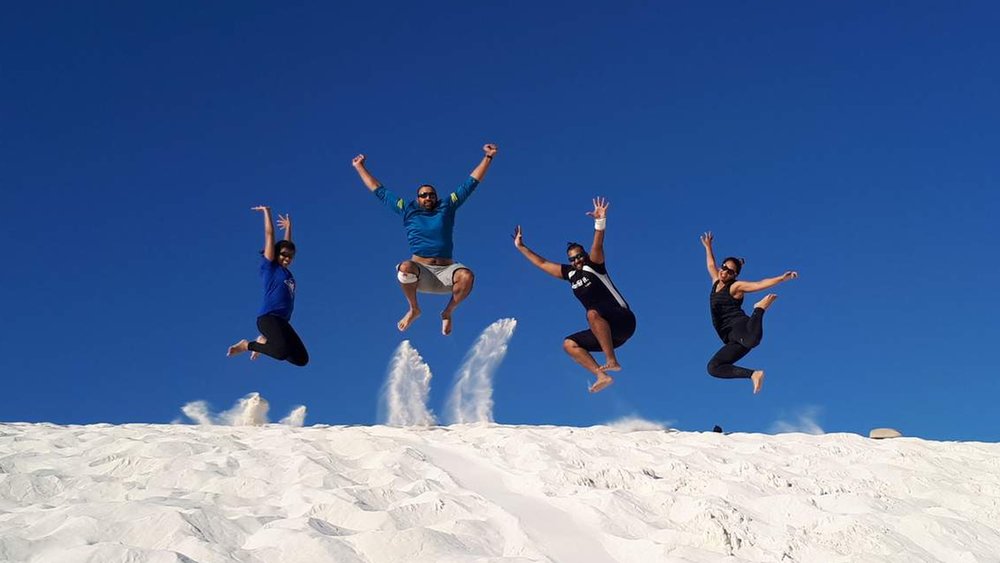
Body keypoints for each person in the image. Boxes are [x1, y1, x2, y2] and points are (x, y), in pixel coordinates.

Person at [352, 144, 498, 335]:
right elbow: (379, 191)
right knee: (404, 268)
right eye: (424, 195)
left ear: (436, 197)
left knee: (467, 276)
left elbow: (470, 183)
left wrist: (488, 157)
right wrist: (360, 167)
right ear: (418, 198)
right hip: (421, 274)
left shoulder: (447, 206)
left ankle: (447, 312)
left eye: (432, 195)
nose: (428, 197)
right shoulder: (407, 209)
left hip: (447, 272)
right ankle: (414, 309)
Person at [513, 197, 636, 393]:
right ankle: (601, 374)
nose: (577, 260)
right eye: (573, 259)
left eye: (579, 256)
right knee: (569, 344)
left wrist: (600, 221)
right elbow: (543, 264)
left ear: (584, 255)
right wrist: (521, 247)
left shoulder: (593, 265)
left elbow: (598, 244)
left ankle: (611, 360)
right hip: (610, 336)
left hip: (624, 320)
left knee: (592, 313)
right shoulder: (570, 274)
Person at [700, 231, 797, 394]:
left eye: (730, 272)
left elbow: (759, 284)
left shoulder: (736, 287)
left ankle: (759, 308)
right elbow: (711, 264)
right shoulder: (716, 280)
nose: (724, 272)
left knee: (752, 340)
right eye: (724, 268)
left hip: (740, 326)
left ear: (735, 275)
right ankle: (754, 374)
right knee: (713, 367)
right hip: (730, 337)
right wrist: (708, 247)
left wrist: (781, 278)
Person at [227, 206, 309, 366]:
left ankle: (264, 342)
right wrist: (267, 212)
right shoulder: (270, 267)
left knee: (301, 359)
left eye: (291, 257)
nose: (287, 258)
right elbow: (269, 235)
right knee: (280, 352)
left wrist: (288, 228)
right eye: (284, 255)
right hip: (268, 318)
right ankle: (247, 345)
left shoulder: (286, 272)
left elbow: (286, 245)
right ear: (276, 253)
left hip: (283, 322)